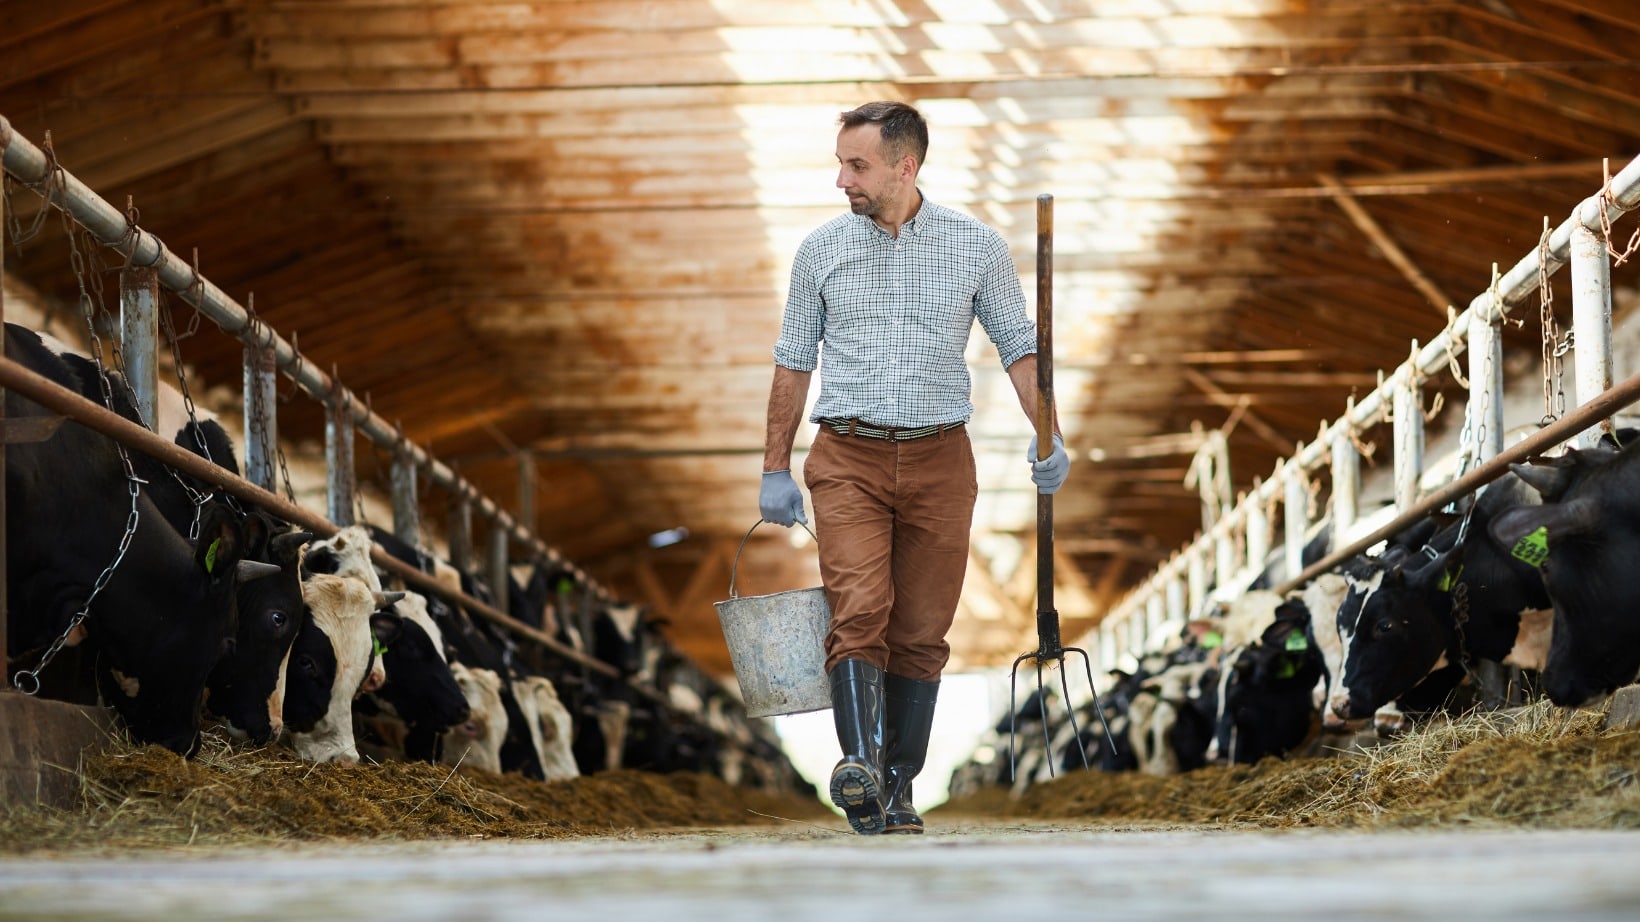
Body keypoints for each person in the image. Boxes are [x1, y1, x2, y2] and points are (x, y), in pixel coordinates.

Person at [758, 100, 1069, 835]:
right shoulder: (819, 251)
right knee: (860, 611)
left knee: (924, 630)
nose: (842, 180)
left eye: (856, 164)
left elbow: (1020, 348)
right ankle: (860, 766)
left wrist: (1050, 436)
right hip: (847, 457)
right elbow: (793, 362)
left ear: (906, 166)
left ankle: (899, 786)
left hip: (941, 460)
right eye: (840, 162)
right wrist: (775, 464)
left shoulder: (976, 248)